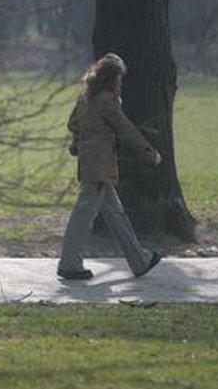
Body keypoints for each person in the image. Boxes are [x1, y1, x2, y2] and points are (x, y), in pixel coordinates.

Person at [57, 53, 163, 280]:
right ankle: (69, 264)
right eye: (119, 78)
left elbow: (73, 123)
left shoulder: (87, 97)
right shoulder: (107, 100)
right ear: (112, 78)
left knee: (117, 216)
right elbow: (125, 129)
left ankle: (140, 260)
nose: (121, 83)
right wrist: (149, 153)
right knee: (83, 215)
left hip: (92, 165)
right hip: (99, 167)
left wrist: (81, 140)